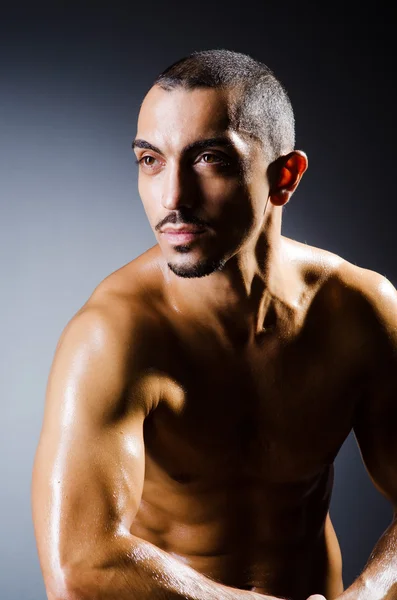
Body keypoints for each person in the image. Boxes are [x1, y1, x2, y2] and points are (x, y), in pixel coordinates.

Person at [31, 49, 397, 600]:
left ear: (284, 177)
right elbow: (82, 567)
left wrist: (367, 595)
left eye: (209, 159)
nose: (172, 198)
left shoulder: (358, 313)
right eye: (150, 160)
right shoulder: (115, 335)